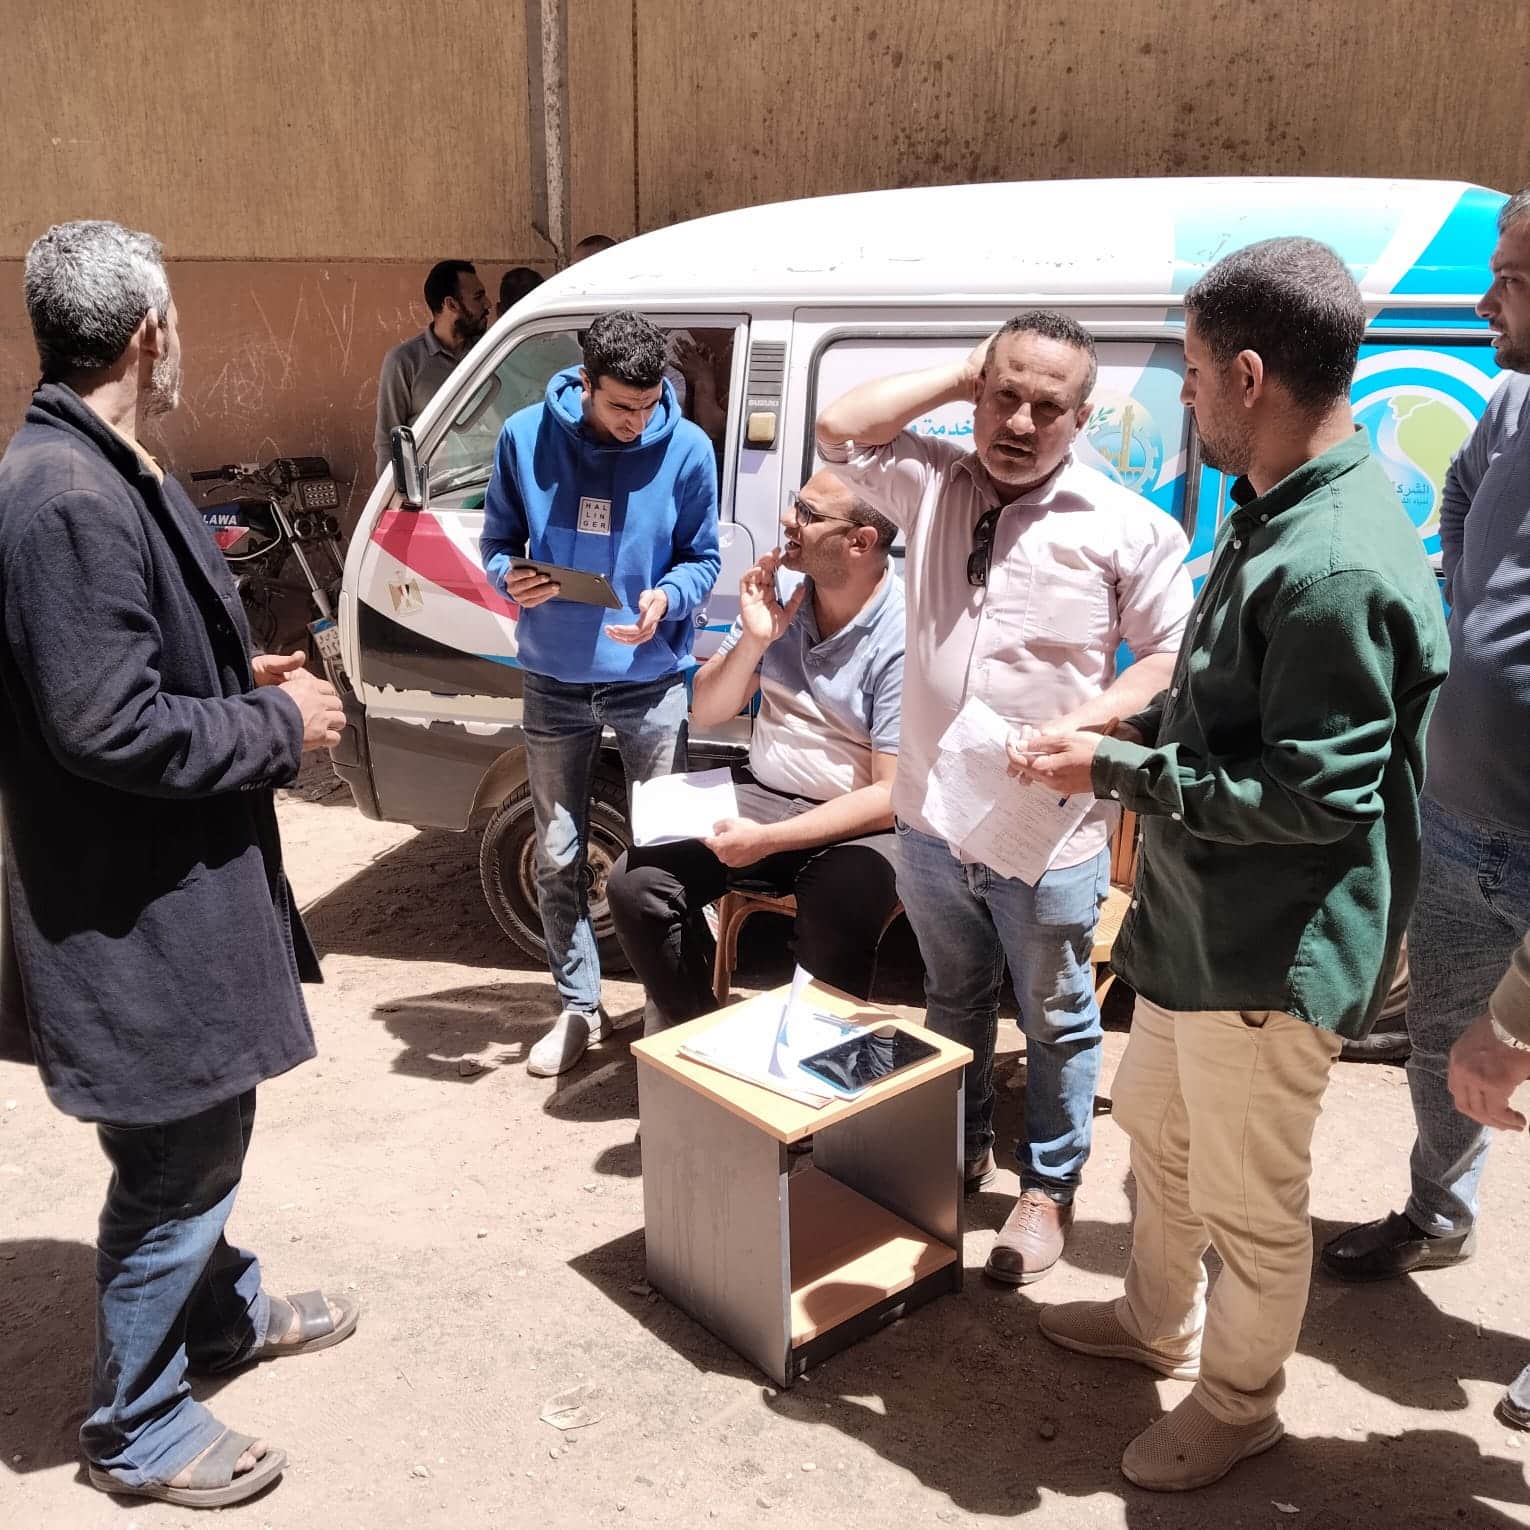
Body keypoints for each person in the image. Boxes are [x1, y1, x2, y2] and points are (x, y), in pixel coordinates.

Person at [1015, 238, 1449, 1491]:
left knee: (1254, 1203)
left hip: (1271, 946)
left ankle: (1241, 1403)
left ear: (1250, 376)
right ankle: (1156, 1321)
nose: (1187, 396)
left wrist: (1116, 774)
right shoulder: (1279, 506)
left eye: (1194, 373)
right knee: (1159, 1133)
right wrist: (1123, 728)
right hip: (1201, 920)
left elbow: (1315, 798)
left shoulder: (1334, 561)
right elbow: (1230, 707)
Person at [0, 220, 358, 1508]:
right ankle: (136, 1425)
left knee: (197, 1124)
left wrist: (226, 673)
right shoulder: (66, 494)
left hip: (160, 888)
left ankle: (222, 1316)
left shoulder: (104, 466)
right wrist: (278, 725)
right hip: (129, 910)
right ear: (150, 331)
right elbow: (105, 725)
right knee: (179, 1154)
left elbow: (115, 669)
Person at [815, 312, 1193, 1285]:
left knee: (1057, 1017)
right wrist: (960, 374)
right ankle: (960, 1147)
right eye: (1004, 396)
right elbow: (838, 429)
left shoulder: (1126, 525)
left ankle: (1048, 1189)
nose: (1019, 422)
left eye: (1046, 406)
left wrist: (1091, 720)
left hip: (1046, 829)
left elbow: (1168, 653)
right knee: (952, 995)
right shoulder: (934, 482)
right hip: (932, 819)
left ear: (1083, 416)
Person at [1322, 190, 1530, 1289]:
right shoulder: (1513, 401)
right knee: (1447, 1037)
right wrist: (1466, 612)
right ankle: (1439, 1213)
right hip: (1459, 819)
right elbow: (1458, 488)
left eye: (1514, 281)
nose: (1488, 303)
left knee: (1507, 1047)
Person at [480, 309, 720, 1075]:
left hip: (650, 683)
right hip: (552, 679)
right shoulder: (523, 437)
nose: (635, 422)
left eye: (648, 406)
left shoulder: (687, 447)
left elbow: (703, 557)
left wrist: (668, 599)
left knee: (666, 856)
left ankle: (668, 1006)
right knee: (557, 854)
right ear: (584, 382)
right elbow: (496, 544)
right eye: (621, 406)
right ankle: (580, 1007)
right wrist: (510, 578)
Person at [607, 469, 904, 1026]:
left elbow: (891, 796)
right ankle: (695, 1035)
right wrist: (755, 639)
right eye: (795, 503)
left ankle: (813, 1054)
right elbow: (706, 709)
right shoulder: (784, 591)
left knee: (840, 904)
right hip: (764, 793)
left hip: (858, 823)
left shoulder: (904, 633)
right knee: (635, 882)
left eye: (809, 514)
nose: (789, 520)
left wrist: (768, 840)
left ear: (860, 541)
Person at [373, 258, 489, 476]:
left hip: (489, 483)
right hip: (438, 492)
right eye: (478, 297)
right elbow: (388, 443)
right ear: (451, 304)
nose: (488, 304)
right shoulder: (404, 362)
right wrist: (394, 494)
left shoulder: (489, 351)